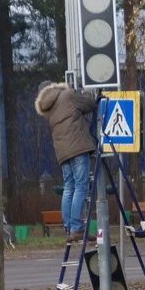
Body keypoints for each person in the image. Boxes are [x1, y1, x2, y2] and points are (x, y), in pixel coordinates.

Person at [35, 81, 96, 243]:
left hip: (62, 153)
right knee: (81, 186)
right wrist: (84, 92)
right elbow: (89, 103)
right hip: (78, 147)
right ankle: (77, 228)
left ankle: (69, 227)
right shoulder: (67, 95)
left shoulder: (48, 108)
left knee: (69, 187)